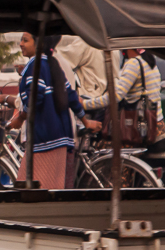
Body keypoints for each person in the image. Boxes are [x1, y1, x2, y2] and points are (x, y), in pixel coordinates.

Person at [8, 33, 101, 188]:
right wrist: (85, 121)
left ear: (38, 44)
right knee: (51, 188)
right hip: (60, 137)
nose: (21, 44)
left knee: (33, 190)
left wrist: (20, 118)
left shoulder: (35, 67)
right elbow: (71, 96)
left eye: (25, 40)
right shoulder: (51, 64)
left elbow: (34, 100)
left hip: (45, 139)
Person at [80, 48, 163, 124]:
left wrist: (84, 104)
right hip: (157, 121)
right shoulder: (149, 61)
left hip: (141, 126)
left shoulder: (134, 63)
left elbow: (115, 96)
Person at [58, 35, 110, 102]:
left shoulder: (85, 42)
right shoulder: (104, 41)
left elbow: (64, 60)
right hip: (101, 92)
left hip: (88, 94)